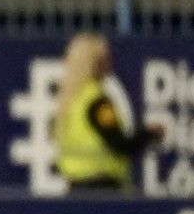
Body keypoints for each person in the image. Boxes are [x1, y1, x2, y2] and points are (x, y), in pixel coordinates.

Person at [51, 33, 161, 192]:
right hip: (102, 188)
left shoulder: (70, 101)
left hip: (74, 188)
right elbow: (119, 145)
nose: (110, 65)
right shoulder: (97, 103)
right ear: (95, 64)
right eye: (106, 59)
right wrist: (148, 134)